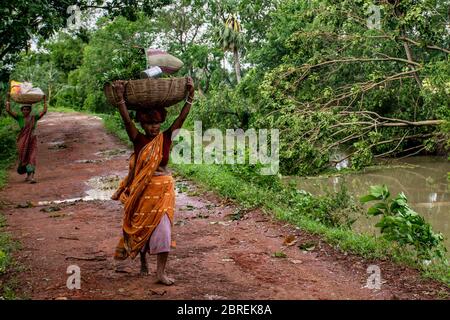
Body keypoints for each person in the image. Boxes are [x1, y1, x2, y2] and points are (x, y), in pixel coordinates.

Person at [111, 77, 194, 285]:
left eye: (156, 123)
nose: (154, 127)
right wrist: (121, 98)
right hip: (143, 192)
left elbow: (181, 120)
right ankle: (143, 263)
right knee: (142, 228)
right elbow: (126, 121)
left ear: (161, 122)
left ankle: (161, 273)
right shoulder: (138, 139)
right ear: (143, 124)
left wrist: (190, 97)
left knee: (164, 230)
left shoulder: (166, 138)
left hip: (164, 191)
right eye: (149, 123)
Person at [5, 91, 47, 183]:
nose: (25, 111)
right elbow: (8, 110)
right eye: (24, 109)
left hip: (32, 140)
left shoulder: (34, 118)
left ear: (30, 110)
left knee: (32, 157)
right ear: (21, 110)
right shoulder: (19, 118)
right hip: (22, 141)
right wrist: (8, 98)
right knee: (24, 158)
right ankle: (28, 175)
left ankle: (31, 176)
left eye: (27, 109)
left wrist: (44, 100)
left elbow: (44, 111)